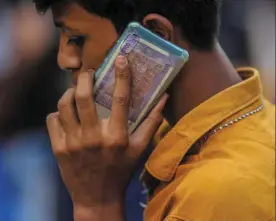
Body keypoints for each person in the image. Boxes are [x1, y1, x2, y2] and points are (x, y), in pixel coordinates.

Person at [35, 0, 275, 221]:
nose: (64, 60)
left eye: (77, 39)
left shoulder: (212, 196)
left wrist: (97, 204)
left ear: (156, 35)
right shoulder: (261, 119)